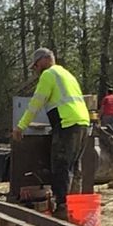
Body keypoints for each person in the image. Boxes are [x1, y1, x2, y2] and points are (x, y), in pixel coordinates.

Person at [12, 48, 92, 213]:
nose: (36, 69)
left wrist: (21, 126)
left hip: (67, 124)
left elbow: (36, 103)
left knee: (60, 165)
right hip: (83, 123)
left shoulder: (48, 75)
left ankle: (62, 207)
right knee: (74, 166)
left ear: (45, 60)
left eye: (36, 65)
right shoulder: (67, 74)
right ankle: (74, 206)